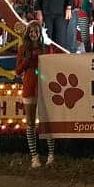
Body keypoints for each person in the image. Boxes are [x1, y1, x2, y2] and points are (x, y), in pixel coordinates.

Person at [15, 20, 55, 168]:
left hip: (43, 85)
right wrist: (28, 58)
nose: (33, 34)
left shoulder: (46, 48)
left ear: (40, 34)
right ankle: (34, 157)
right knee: (30, 123)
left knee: (47, 122)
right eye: (31, 31)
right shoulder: (23, 48)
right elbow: (18, 71)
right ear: (27, 33)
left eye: (36, 32)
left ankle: (51, 154)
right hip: (29, 85)